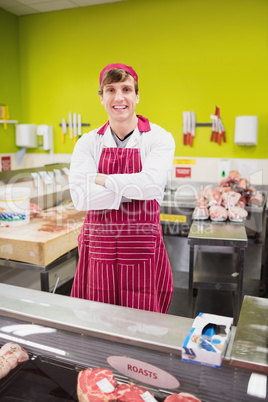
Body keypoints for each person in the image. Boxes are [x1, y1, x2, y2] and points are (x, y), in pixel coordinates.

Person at [69, 63, 175, 313]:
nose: (119, 97)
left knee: (143, 323)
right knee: (96, 318)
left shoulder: (159, 138)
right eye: (110, 90)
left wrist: (102, 179)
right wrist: (132, 187)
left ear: (137, 96)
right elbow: (81, 197)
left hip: (141, 247)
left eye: (126, 89)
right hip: (99, 249)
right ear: (102, 97)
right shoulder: (88, 142)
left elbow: (149, 186)